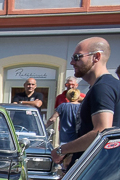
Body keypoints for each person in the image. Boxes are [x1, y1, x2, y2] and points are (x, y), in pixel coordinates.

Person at [51, 37, 120, 165]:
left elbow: (102, 131)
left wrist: (62, 150)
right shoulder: (110, 85)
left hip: (100, 170)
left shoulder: (102, 88)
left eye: (77, 57)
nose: (72, 62)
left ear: (96, 57)